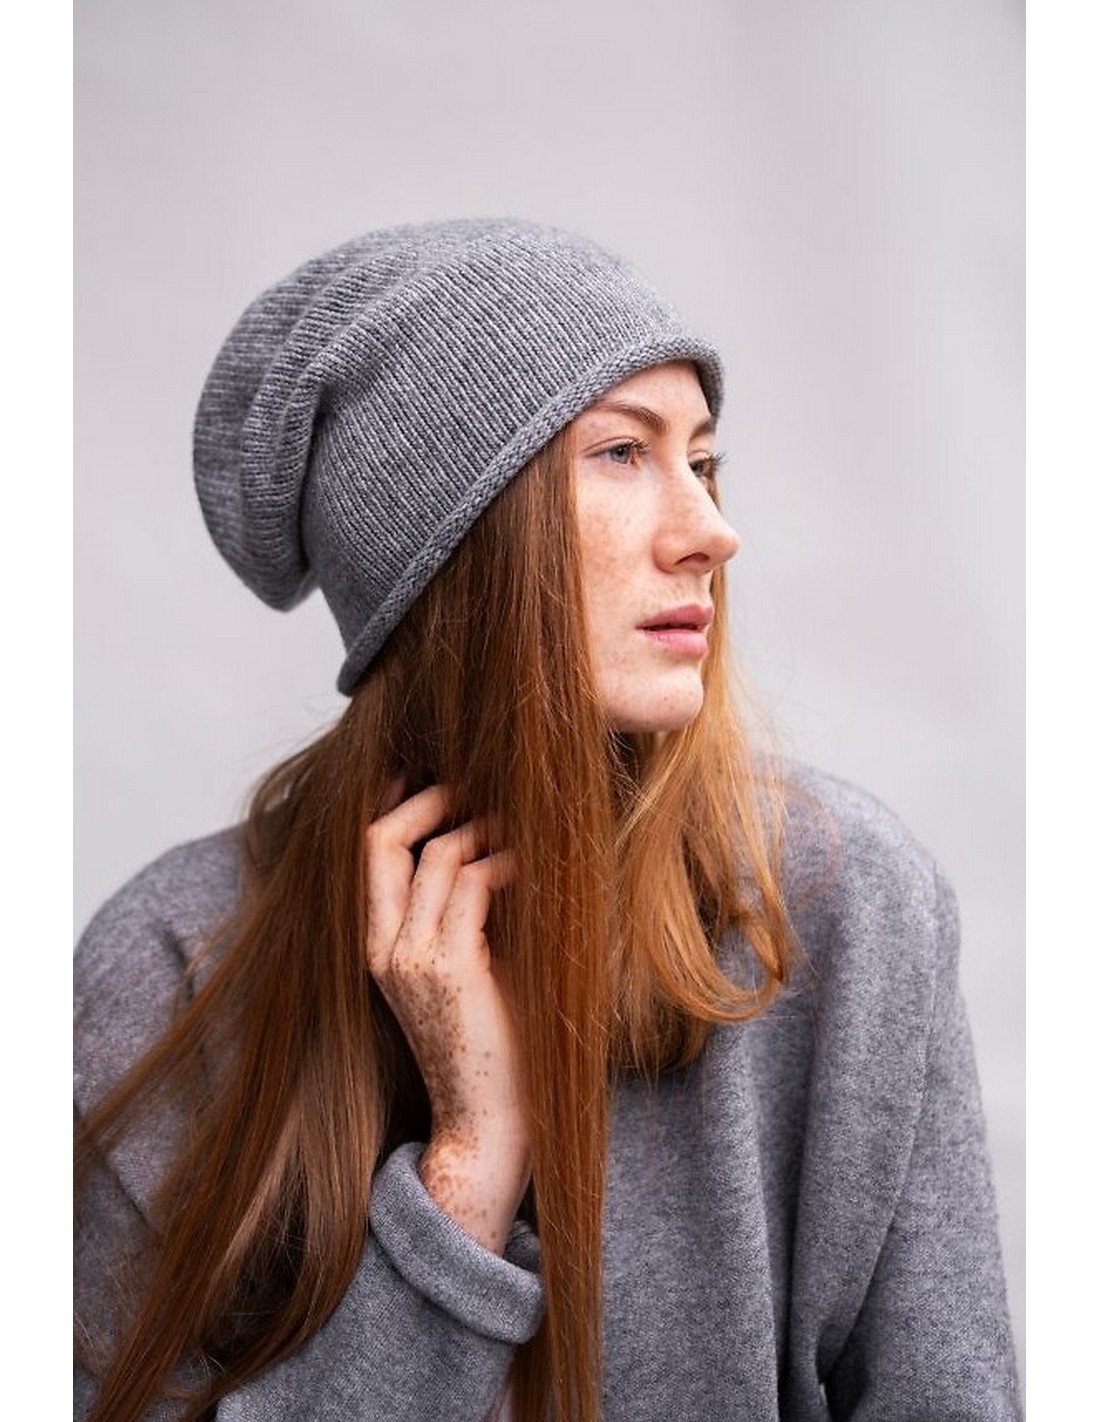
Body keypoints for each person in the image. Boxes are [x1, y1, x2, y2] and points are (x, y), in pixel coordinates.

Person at [74, 219, 1021, 1422]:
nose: (710, 531)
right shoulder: (174, 962)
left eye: (703, 461)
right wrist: (469, 1170)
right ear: (445, 549)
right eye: (622, 452)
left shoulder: (842, 905)